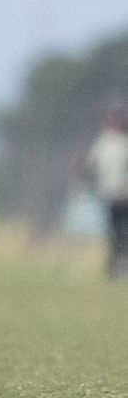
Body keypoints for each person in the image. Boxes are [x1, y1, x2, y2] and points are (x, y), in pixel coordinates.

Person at [86, 107, 128, 278]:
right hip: (109, 195)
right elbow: (92, 164)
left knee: (123, 231)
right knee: (114, 232)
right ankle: (115, 264)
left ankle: (122, 263)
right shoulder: (103, 143)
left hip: (124, 195)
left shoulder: (124, 143)